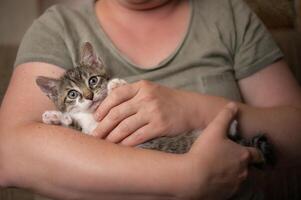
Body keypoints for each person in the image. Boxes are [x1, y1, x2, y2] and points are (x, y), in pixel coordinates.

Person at [0, 0, 300, 199]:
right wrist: (187, 178)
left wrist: (194, 110)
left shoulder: (228, 13)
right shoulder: (58, 27)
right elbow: (8, 155)